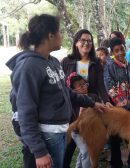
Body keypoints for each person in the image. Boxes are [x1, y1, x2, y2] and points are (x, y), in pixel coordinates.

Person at [5, 14, 104, 168]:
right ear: (50, 35)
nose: (62, 36)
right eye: (59, 32)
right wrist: (39, 151)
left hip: (59, 132)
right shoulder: (28, 67)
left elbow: (66, 92)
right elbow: (25, 112)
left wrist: (92, 103)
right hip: (46, 136)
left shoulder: (52, 62)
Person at [61, 29, 109, 168]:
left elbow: (101, 87)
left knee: (86, 143)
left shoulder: (96, 63)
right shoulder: (67, 62)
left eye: (89, 41)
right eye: (83, 40)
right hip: (71, 108)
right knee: (69, 144)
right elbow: (62, 86)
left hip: (89, 107)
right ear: (76, 42)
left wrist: (106, 101)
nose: (86, 43)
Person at [104, 37, 130, 168]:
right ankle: (116, 164)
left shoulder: (129, 65)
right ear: (112, 52)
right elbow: (110, 88)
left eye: (122, 49)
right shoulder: (109, 66)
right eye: (116, 51)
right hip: (116, 111)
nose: (120, 53)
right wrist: (122, 105)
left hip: (129, 109)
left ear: (125, 48)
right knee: (115, 139)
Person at [66, 73, 98, 168]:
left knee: (83, 152)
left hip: (90, 131)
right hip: (77, 132)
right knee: (86, 150)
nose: (84, 87)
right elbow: (73, 125)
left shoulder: (92, 97)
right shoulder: (72, 103)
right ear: (72, 90)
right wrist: (80, 115)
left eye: (85, 84)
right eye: (80, 86)